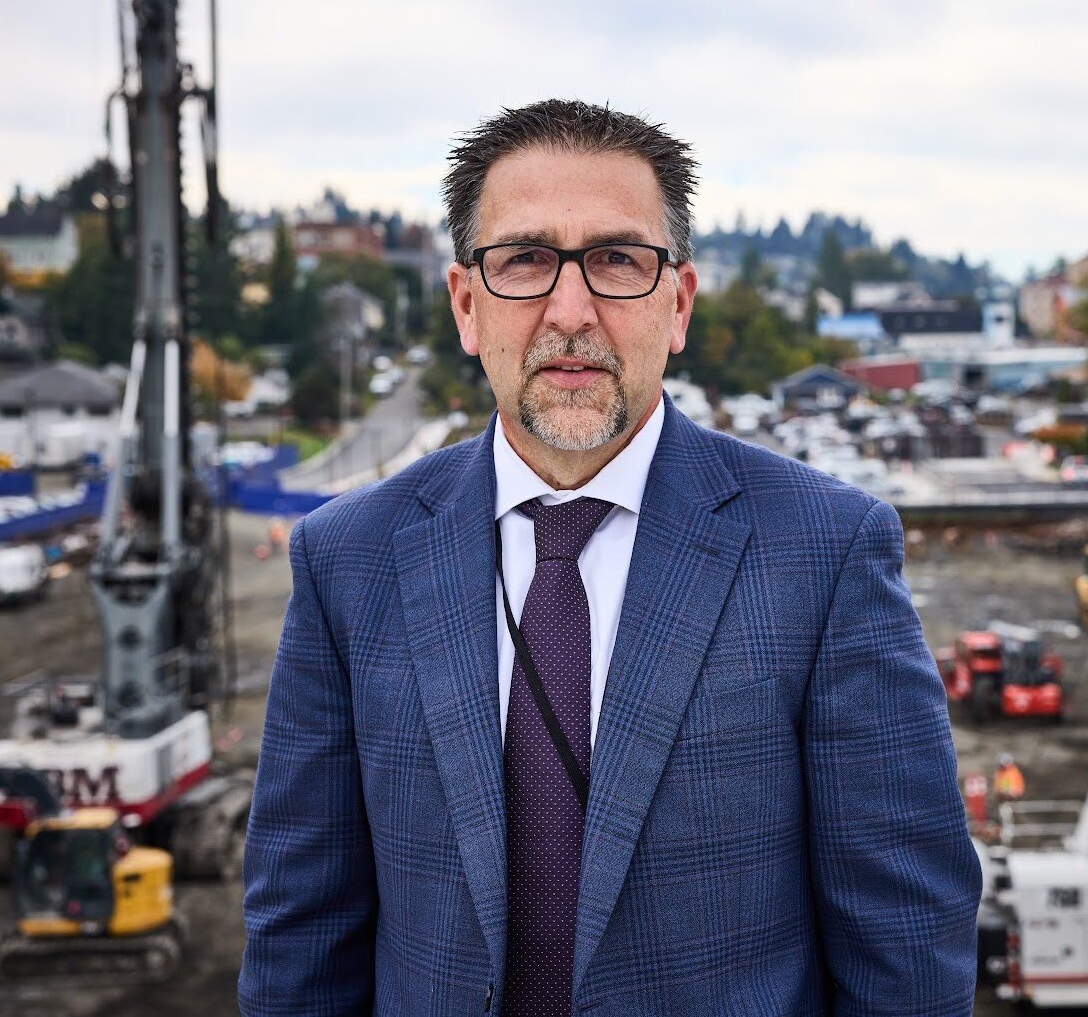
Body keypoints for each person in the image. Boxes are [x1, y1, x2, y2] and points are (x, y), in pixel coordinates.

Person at [239, 99, 980, 1016]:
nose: (572, 311)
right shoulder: (346, 559)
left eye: (619, 260)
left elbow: (905, 948)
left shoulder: (825, 551)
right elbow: (300, 939)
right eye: (524, 261)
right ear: (467, 306)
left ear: (678, 303)